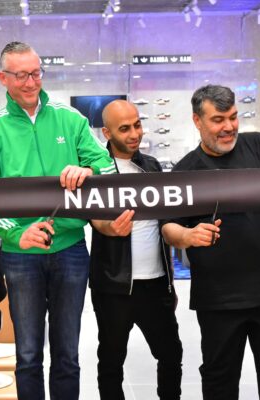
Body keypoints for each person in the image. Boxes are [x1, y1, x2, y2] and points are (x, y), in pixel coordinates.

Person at [0, 41, 116, 400]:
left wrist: (87, 171)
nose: (30, 82)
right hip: (20, 255)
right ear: (3, 78)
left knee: (67, 354)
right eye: (21, 75)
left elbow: (108, 168)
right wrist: (17, 233)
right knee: (28, 355)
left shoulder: (70, 119)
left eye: (36, 73)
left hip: (71, 249)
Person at [161, 84, 260, 400]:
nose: (229, 126)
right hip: (218, 300)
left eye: (233, 117)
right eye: (218, 119)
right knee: (219, 385)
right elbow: (168, 227)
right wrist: (188, 236)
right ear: (197, 121)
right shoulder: (186, 170)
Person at [90, 99, 182, 400]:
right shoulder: (96, 170)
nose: (134, 134)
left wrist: (170, 283)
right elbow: (92, 219)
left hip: (156, 284)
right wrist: (108, 227)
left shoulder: (152, 167)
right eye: (125, 128)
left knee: (171, 355)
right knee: (111, 361)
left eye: (137, 125)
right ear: (107, 133)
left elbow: (165, 223)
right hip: (113, 286)